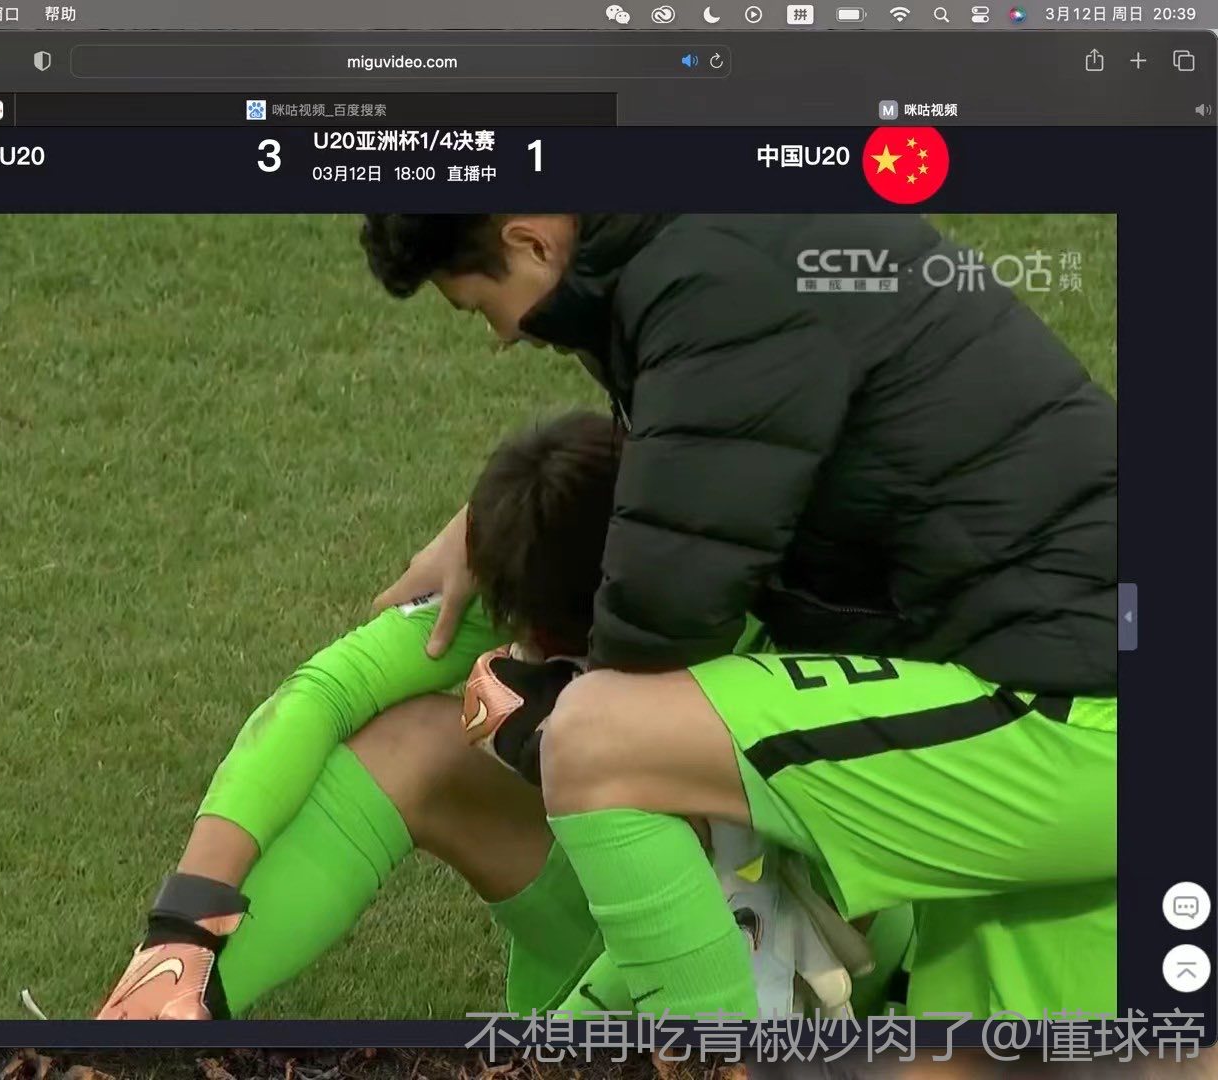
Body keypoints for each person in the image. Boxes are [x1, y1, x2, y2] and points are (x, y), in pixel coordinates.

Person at [360, 213, 1117, 1017]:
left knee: (595, 737)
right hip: (1073, 659)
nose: (503, 337)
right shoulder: (712, 231)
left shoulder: (710, 284)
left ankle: (720, 1053)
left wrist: (536, 718)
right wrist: (480, 526)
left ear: (532, 242)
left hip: (1069, 704)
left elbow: (668, 614)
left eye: (482, 308)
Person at [83, 413, 904, 1022]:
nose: (520, 644)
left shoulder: (799, 611)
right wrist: (184, 923)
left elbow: (779, 896)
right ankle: (157, 1021)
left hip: (814, 959)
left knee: (655, 781)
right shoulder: (552, 547)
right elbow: (325, 690)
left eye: (538, 638)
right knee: (412, 743)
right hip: (635, 922)